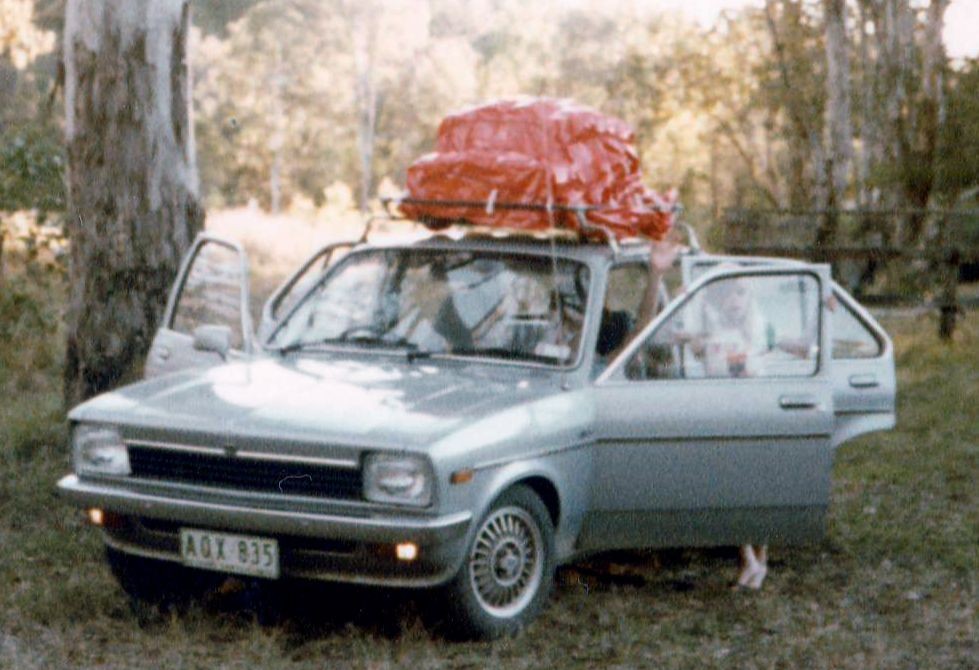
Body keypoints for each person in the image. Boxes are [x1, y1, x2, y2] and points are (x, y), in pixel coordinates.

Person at [635, 237, 770, 590]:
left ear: (750, 297)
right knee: (729, 486)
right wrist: (682, 307)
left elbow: (764, 359)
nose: (735, 301)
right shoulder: (709, 329)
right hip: (723, 412)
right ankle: (748, 557)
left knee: (753, 487)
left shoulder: (757, 328)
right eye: (728, 294)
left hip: (753, 411)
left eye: (741, 293)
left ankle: (758, 558)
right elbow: (675, 338)